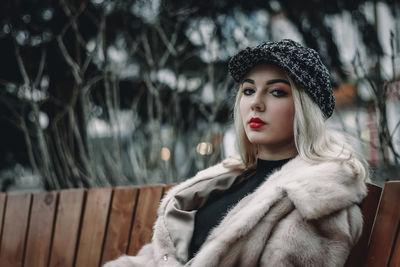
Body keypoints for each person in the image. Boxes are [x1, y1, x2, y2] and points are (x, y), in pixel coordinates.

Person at [104, 39, 369, 267]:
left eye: (277, 92)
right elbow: (157, 257)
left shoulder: (317, 199)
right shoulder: (224, 182)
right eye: (249, 90)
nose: (256, 103)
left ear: (305, 109)